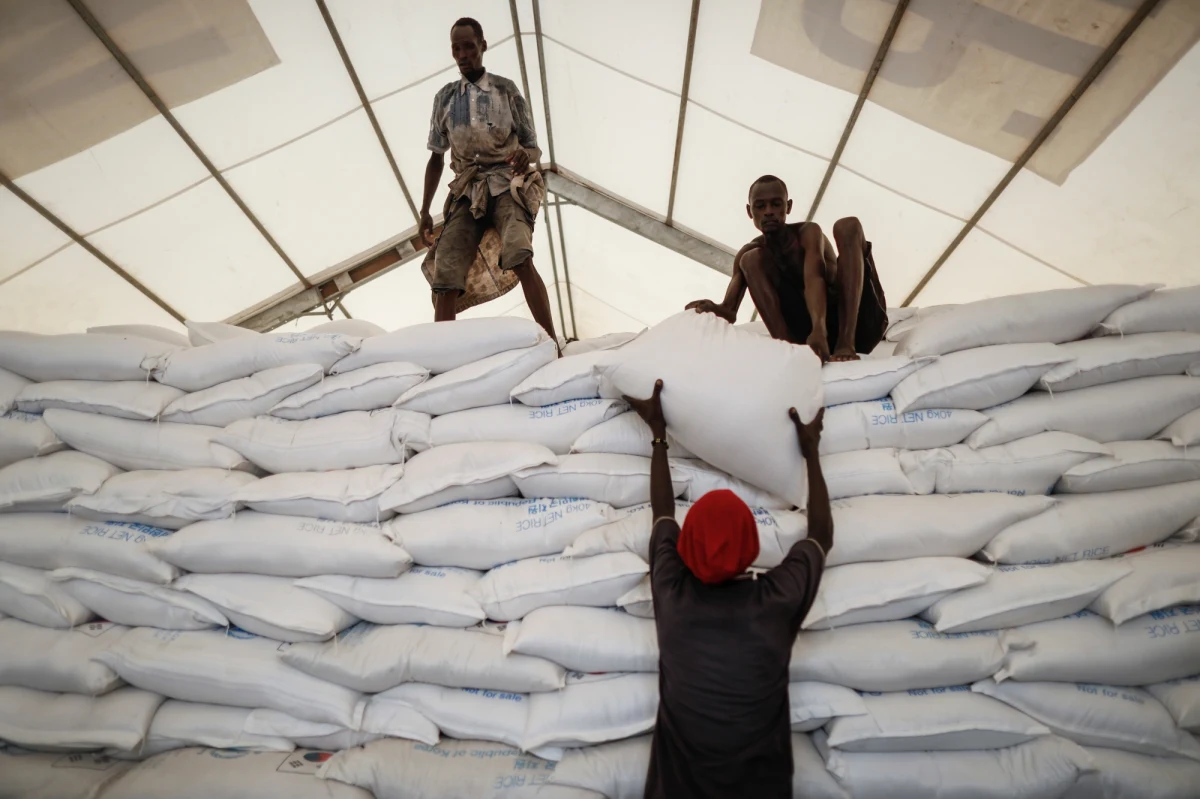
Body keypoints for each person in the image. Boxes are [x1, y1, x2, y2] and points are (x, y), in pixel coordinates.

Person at [623, 379, 833, 798]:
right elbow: (821, 534)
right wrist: (810, 451)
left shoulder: (673, 593)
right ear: (751, 543)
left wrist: (659, 433)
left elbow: (662, 510)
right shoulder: (777, 600)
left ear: (686, 547)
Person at [418, 17, 557, 341]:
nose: (463, 53)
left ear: (482, 45)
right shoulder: (445, 99)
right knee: (446, 272)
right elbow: (436, 156)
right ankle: (445, 356)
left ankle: (552, 342)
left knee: (519, 253)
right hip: (468, 192)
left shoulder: (506, 90)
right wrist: (424, 211)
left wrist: (526, 155)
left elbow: (531, 145)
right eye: (457, 48)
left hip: (509, 183)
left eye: (469, 46)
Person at [687, 175, 888, 362]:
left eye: (776, 204)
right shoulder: (749, 253)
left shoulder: (808, 233)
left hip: (860, 326)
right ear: (750, 212)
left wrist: (819, 330)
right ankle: (787, 349)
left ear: (788, 206)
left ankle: (845, 343)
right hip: (809, 340)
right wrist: (712, 308)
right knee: (750, 259)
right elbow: (730, 312)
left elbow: (814, 278)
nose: (768, 211)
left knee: (847, 226)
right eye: (760, 206)